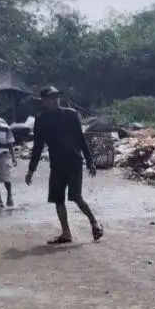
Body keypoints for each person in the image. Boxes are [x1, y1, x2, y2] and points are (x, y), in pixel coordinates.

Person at [26, 87, 103, 244]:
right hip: (56, 164)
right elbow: (38, 146)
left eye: (56, 97)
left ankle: (94, 222)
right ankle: (66, 233)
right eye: (50, 98)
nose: (54, 101)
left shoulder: (71, 115)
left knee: (76, 196)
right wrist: (31, 170)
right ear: (44, 102)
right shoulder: (40, 120)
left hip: (74, 161)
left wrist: (90, 161)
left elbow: (81, 139)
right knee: (58, 199)